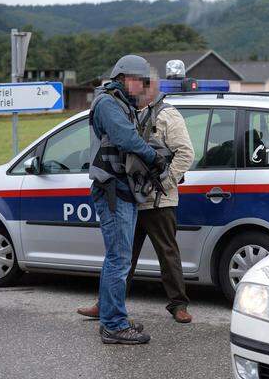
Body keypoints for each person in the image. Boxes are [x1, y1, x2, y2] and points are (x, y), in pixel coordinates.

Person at [78, 72, 195, 323]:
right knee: (123, 255)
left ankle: (178, 305)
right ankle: (106, 304)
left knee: (167, 252)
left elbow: (186, 153)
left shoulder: (167, 114)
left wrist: (163, 182)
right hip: (131, 195)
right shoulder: (128, 112)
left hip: (158, 199)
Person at [88, 55, 166, 345]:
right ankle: (113, 325)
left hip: (123, 191)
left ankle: (112, 316)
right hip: (112, 191)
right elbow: (124, 138)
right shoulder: (108, 103)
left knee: (117, 259)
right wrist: (152, 156)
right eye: (139, 80)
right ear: (123, 77)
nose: (142, 87)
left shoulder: (123, 104)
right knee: (119, 260)